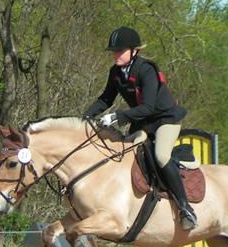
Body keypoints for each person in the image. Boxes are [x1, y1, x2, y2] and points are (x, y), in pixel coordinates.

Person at [83, 26, 198, 230]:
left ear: (134, 51)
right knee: (125, 153)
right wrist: (86, 116)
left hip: (165, 119)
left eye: (120, 51)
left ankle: (185, 207)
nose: (115, 55)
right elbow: (106, 98)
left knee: (161, 155)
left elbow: (149, 106)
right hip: (143, 122)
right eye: (114, 51)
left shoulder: (147, 70)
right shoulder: (116, 72)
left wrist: (118, 116)